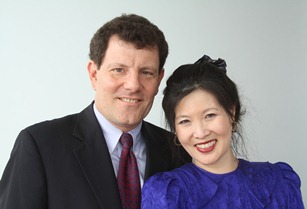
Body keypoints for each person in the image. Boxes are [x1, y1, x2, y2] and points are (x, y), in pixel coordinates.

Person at [0, 14, 190, 209]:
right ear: (93, 74)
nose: (133, 85)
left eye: (146, 72)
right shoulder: (40, 145)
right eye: (118, 69)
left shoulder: (180, 151)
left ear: (158, 80)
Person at [141, 55, 305, 209]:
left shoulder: (279, 181)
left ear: (231, 113)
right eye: (185, 121)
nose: (200, 132)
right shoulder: (165, 192)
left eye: (210, 115)